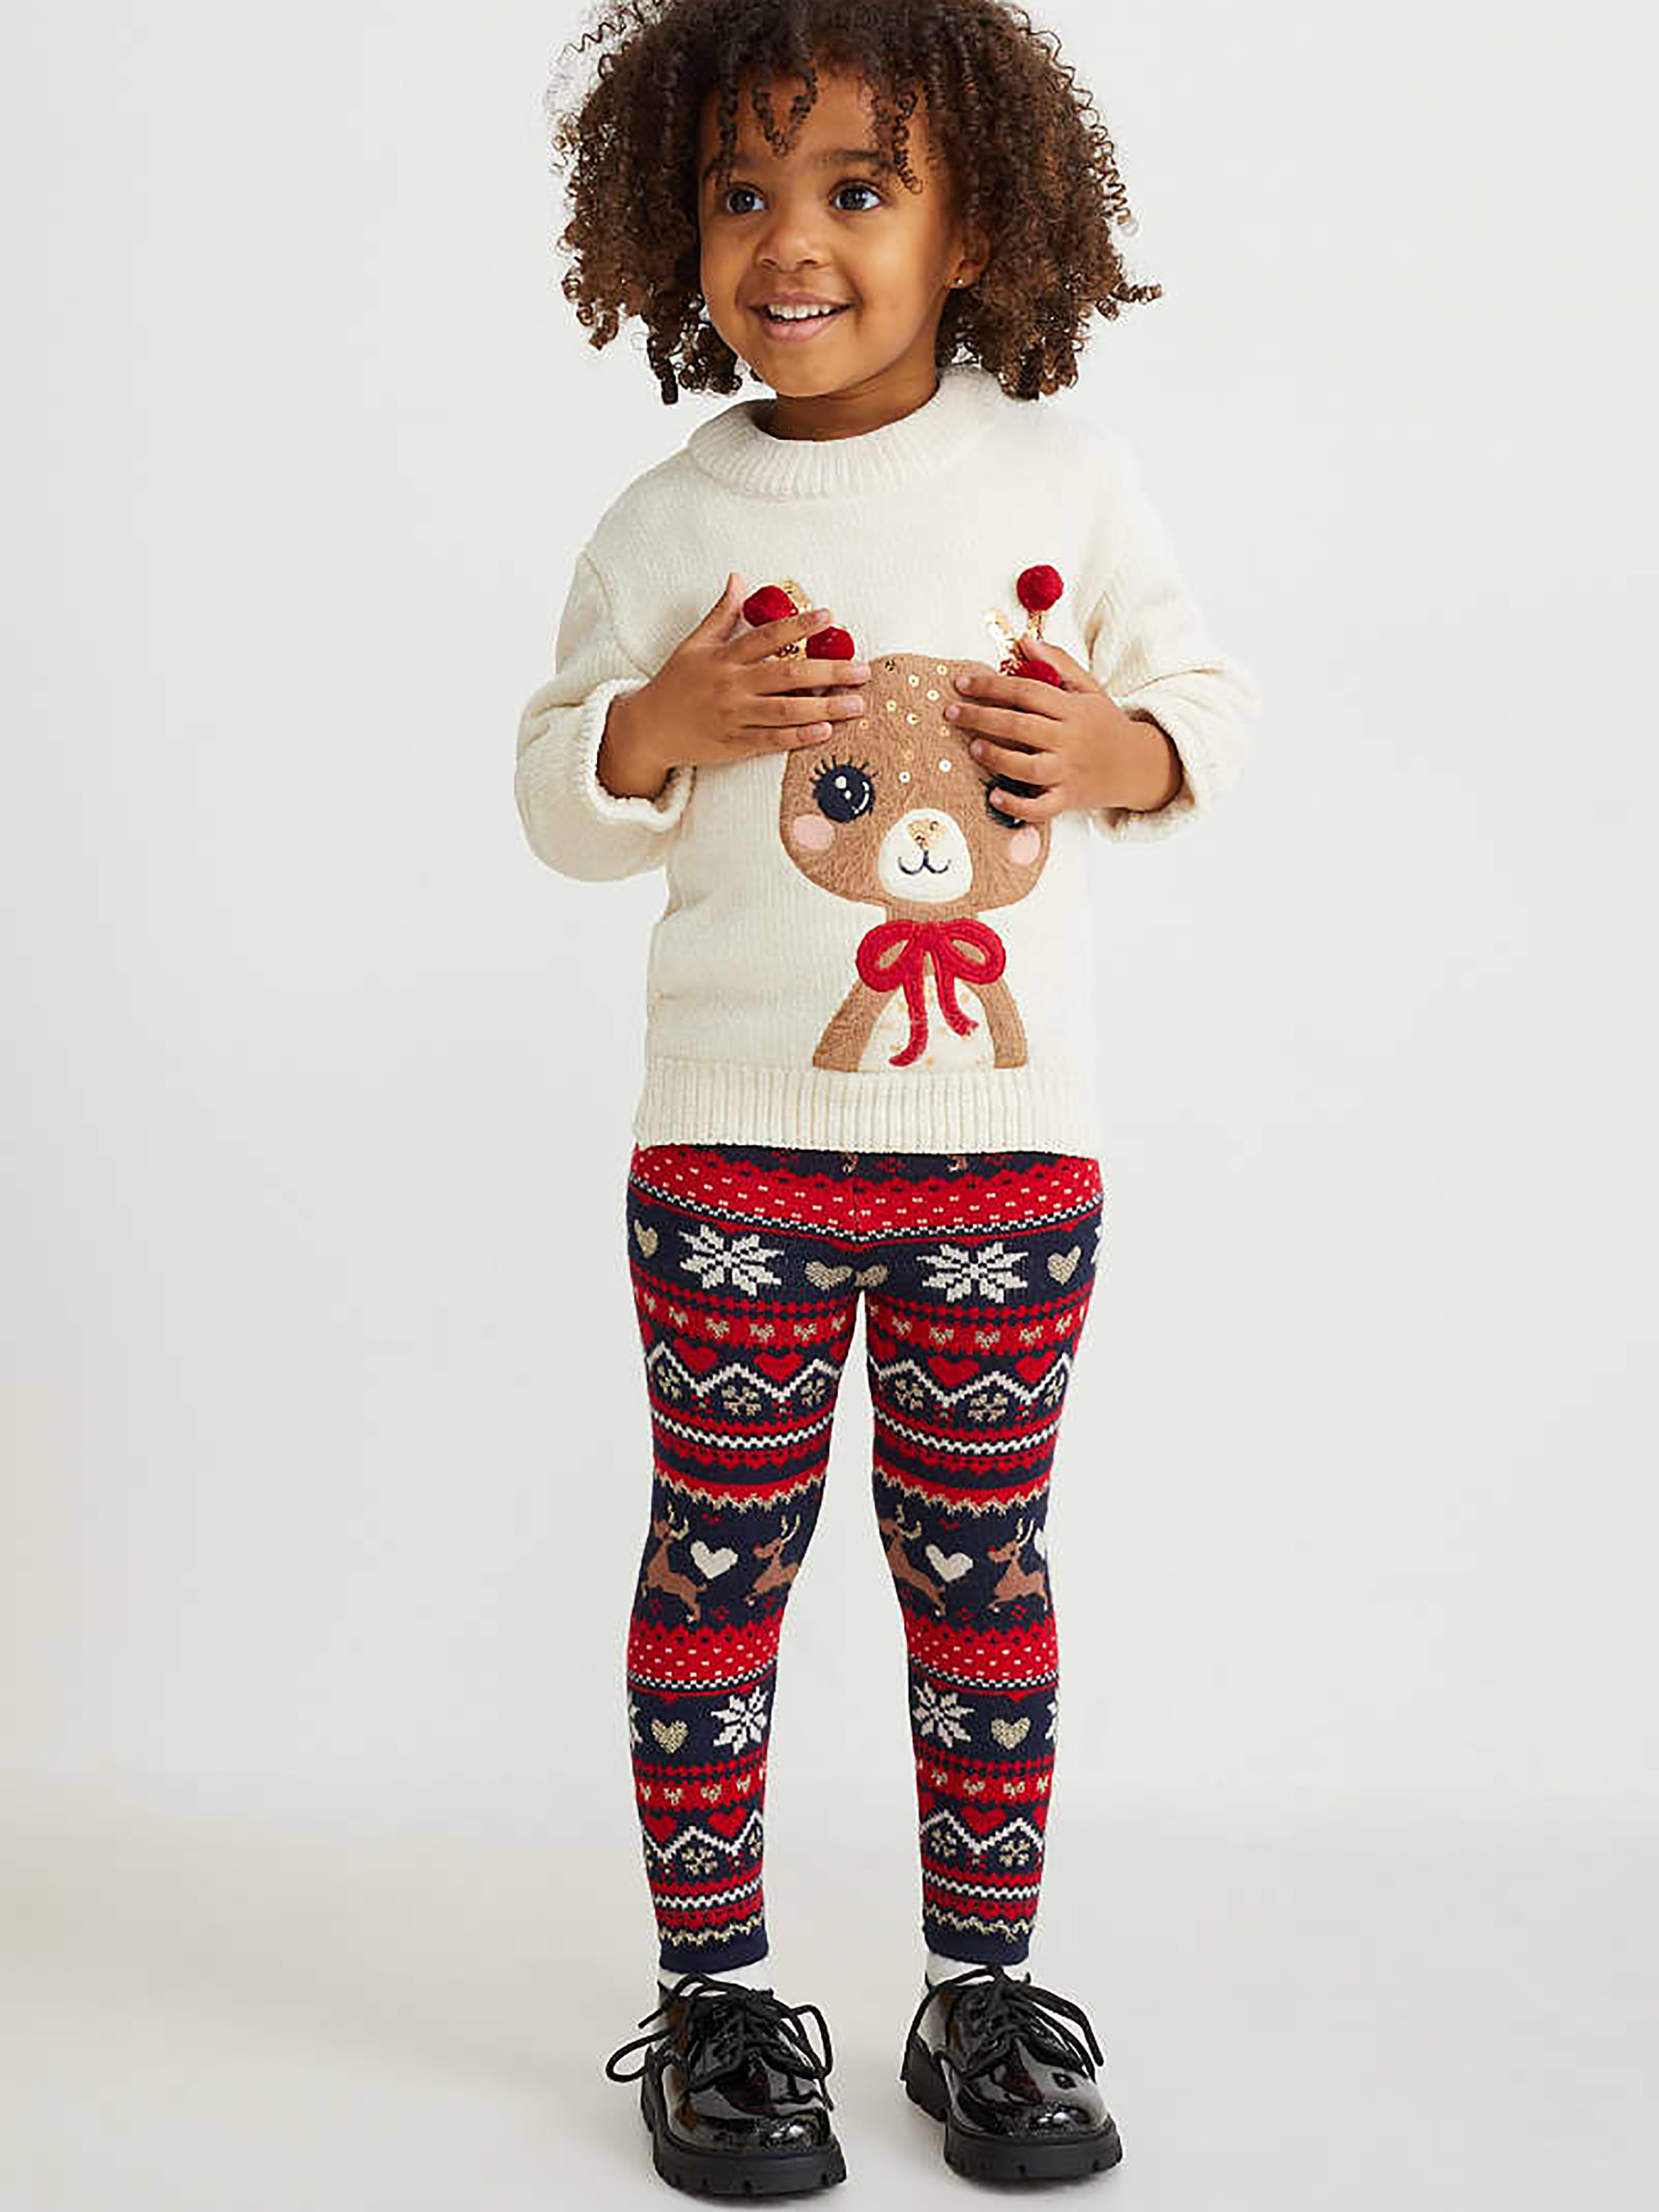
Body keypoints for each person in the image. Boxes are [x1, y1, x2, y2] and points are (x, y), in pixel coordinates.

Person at [516, 0, 1258, 2192]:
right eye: (740, 191)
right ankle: (717, 2004)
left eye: (857, 188)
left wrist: (1121, 750)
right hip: (727, 1162)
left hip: (1005, 1171)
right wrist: (648, 729)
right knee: (716, 1566)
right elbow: (558, 796)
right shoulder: (671, 518)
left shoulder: (1065, 483)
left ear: (978, 229)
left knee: (980, 1571)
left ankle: (984, 1993)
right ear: (672, 230)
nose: (791, 239)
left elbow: (1205, 697)